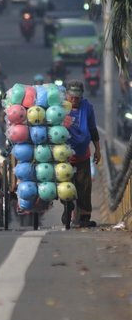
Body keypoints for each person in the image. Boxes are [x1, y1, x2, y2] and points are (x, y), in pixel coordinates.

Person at [62, 80, 101, 228]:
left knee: (84, 186)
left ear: (82, 96)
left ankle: (85, 217)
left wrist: (98, 149)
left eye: (77, 97)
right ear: (66, 95)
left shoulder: (87, 108)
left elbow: (92, 129)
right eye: (71, 96)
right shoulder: (59, 108)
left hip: (82, 155)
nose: (74, 100)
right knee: (64, 184)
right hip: (64, 156)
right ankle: (67, 207)